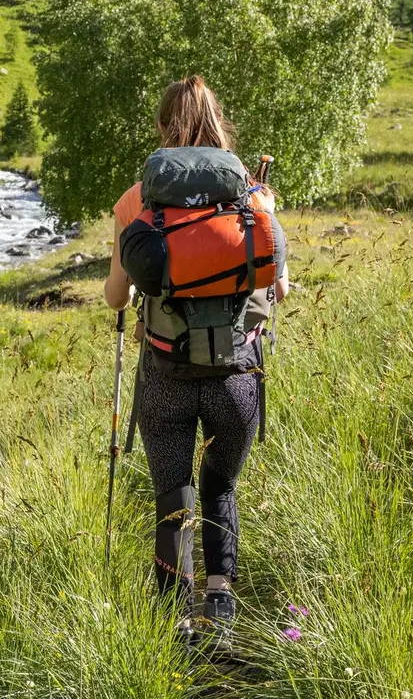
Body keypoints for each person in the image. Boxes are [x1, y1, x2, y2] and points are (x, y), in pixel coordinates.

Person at [104, 76, 290, 648]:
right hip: (237, 373)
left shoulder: (137, 200)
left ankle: (172, 620)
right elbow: (279, 287)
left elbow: (116, 296)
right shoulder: (254, 197)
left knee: (172, 491)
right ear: (220, 125)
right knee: (220, 487)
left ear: (164, 128)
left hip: (165, 374)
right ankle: (220, 606)